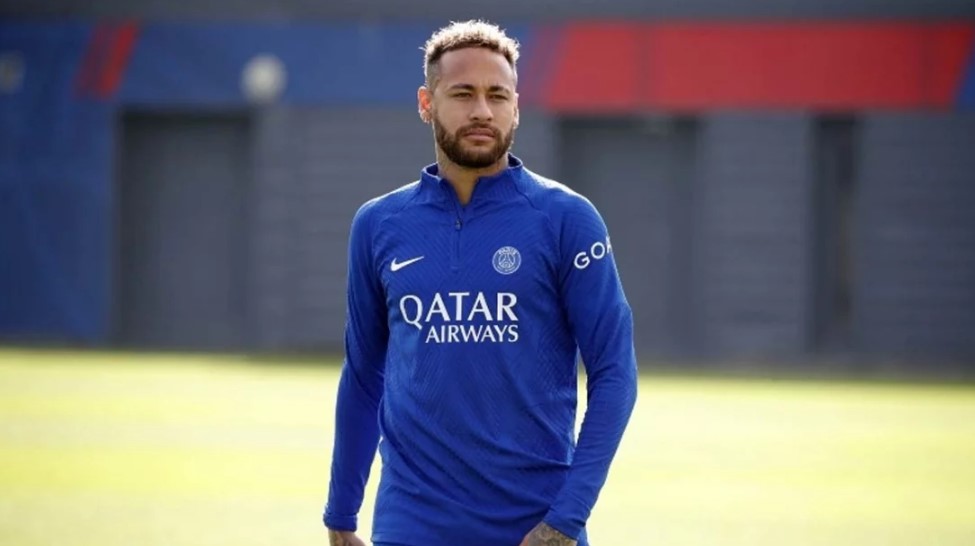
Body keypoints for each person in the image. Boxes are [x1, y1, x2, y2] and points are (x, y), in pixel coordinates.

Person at [323, 20, 638, 546]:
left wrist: (566, 518)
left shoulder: (566, 219)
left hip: (534, 527)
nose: (482, 111)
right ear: (426, 103)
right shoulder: (379, 224)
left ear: (516, 106)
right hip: (411, 525)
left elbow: (615, 374)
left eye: (498, 95)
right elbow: (362, 374)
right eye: (462, 94)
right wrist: (341, 512)